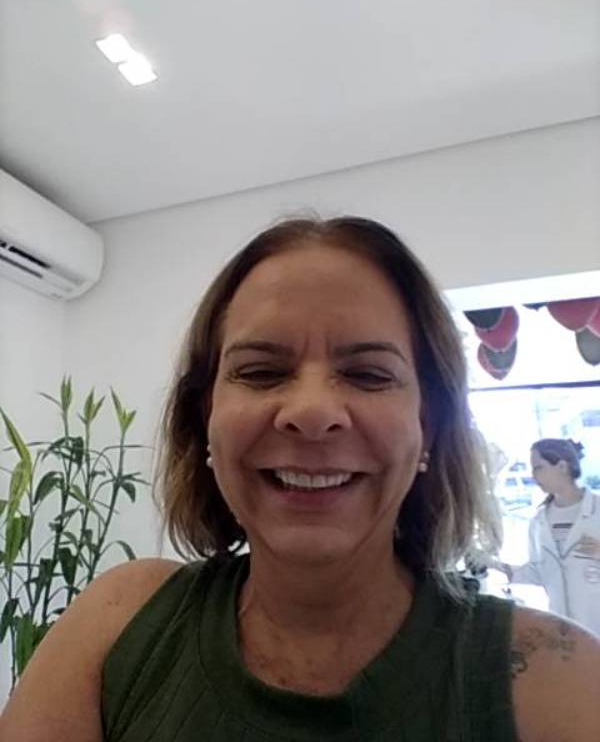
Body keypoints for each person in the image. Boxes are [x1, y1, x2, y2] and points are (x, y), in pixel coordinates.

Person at [2, 216, 599, 741]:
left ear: (429, 428)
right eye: (261, 372)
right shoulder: (118, 621)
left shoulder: (560, 683)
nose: (312, 412)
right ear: (204, 419)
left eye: (369, 375)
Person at [496, 438, 600, 637]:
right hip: (566, 632)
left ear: (562, 467)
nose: (533, 475)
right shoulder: (538, 522)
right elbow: (538, 572)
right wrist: (497, 567)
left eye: (539, 467)